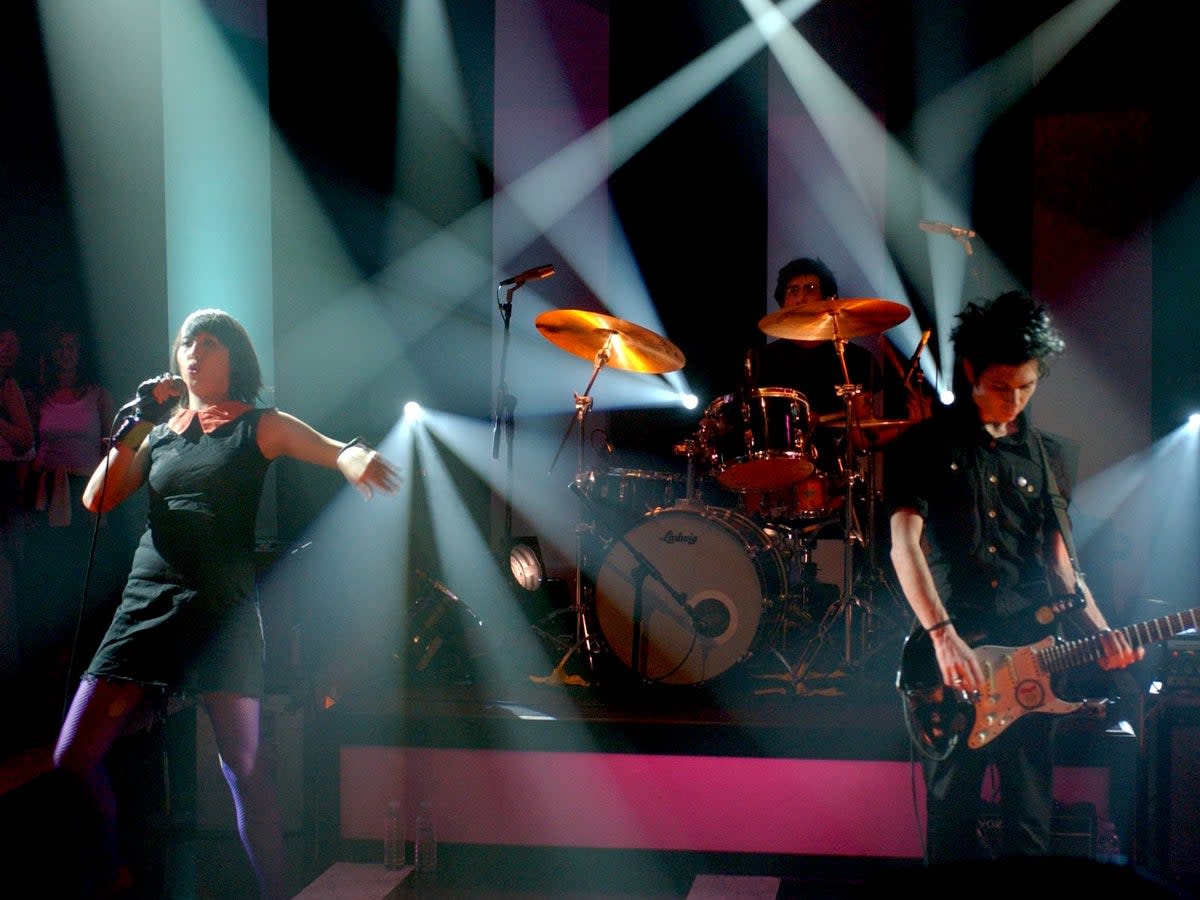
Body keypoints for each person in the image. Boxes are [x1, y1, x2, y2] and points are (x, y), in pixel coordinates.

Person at [51, 308, 400, 898]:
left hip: (221, 609)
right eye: (188, 343)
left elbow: (326, 447)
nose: (194, 352)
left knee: (242, 766)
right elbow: (94, 498)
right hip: (147, 603)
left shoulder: (258, 425)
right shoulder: (158, 432)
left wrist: (353, 457)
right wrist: (138, 421)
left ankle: (276, 892)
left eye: (208, 343)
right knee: (71, 759)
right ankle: (113, 873)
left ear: (232, 357)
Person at [885, 290, 1143, 864]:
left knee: (1031, 827)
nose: (1015, 400)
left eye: (1027, 386)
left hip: (1033, 659)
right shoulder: (923, 446)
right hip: (957, 657)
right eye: (1003, 386)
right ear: (972, 370)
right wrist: (942, 634)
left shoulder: (1048, 457)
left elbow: (1060, 565)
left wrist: (1101, 630)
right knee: (951, 825)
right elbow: (905, 546)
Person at [19, 322, 122, 723]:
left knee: (87, 588)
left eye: (71, 345)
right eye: (59, 346)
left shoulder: (98, 396)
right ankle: (52, 690)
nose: (65, 352)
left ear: (80, 352)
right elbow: (28, 449)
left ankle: (89, 681)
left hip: (87, 500)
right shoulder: (38, 397)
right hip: (50, 501)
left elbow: (114, 450)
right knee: (52, 588)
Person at [0, 317, 34, 691]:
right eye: (2, 343)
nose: (8, 351)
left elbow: (25, 439)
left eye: (13, 344)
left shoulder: (8, 386)